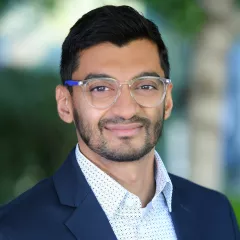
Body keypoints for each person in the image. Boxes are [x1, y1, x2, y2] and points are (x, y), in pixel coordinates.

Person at [0, 5, 239, 240]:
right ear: (65, 104)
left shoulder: (215, 213)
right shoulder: (15, 230)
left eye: (145, 86)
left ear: (167, 101)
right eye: (101, 88)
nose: (126, 110)